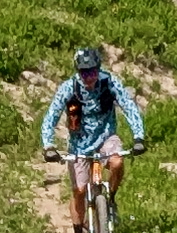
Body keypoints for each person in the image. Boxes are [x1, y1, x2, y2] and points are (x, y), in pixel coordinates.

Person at [41, 43, 143, 219]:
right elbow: (51, 116)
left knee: (117, 163)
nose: (89, 77)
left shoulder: (109, 82)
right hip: (79, 143)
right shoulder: (69, 88)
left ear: (98, 69)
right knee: (79, 191)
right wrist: (48, 145)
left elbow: (129, 107)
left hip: (106, 137)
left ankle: (110, 198)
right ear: (78, 72)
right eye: (84, 73)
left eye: (93, 72)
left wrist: (139, 137)